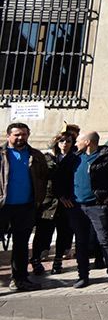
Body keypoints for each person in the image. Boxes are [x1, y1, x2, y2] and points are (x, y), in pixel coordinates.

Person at [55, 131, 108, 288]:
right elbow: (58, 177)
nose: (75, 143)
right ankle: (83, 276)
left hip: (98, 206)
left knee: (105, 240)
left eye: (78, 140)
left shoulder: (107, 157)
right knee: (81, 242)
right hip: (76, 207)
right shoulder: (73, 158)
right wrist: (62, 196)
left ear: (87, 142)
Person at [2, 122, 51, 290]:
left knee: (21, 245)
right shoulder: (1, 155)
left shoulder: (36, 155)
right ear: (8, 135)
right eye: (16, 134)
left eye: (24, 134)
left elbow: (44, 178)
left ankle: (19, 279)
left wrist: (39, 199)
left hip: (25, 207)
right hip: (2, 207)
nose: (20, 137)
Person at [32, 133, 75, 276]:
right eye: (62, 141)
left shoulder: (74, 159)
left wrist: (66, 196)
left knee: (63, 233)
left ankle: (58, 261)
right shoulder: (47, 158)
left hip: (67, 203)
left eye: (68, 141)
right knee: (42, 233)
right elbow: (44, 178)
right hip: (48, 202)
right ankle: (36, 260)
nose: (65, 144)